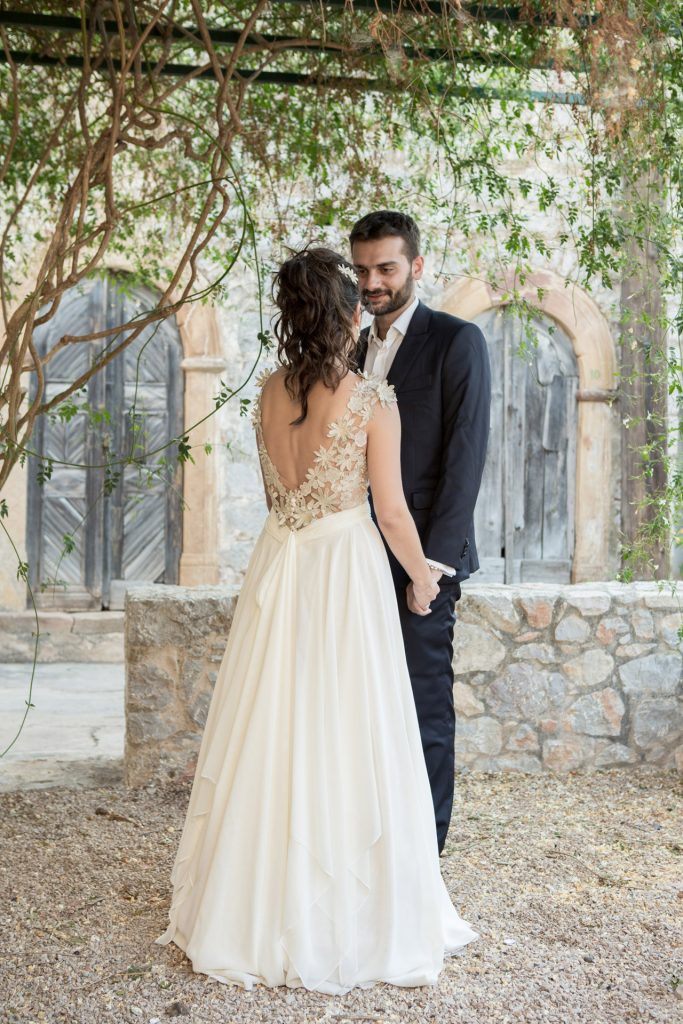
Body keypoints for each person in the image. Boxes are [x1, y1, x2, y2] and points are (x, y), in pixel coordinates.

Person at [156, 246, 478, 993]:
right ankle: (344, 912)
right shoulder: (370, 398)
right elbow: (393, 512)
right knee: (347, 725)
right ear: (346, 313)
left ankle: (254, 903)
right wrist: (423, 578)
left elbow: (278, 501)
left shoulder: (268, 392)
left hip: (282, 563)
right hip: (342, 569)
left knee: (274, 725)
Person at [350, 211, 491, 854]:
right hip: (352, 558)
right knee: (363, 705)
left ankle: (425, 851)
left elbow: (464, 462)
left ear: (417, 267)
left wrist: (428, 570)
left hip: (422, 562)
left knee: (423, 704)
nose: (372, 282)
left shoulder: (456, 342)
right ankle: (371, 838)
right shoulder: (349, 349)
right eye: (362, 269)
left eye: (386, 268)